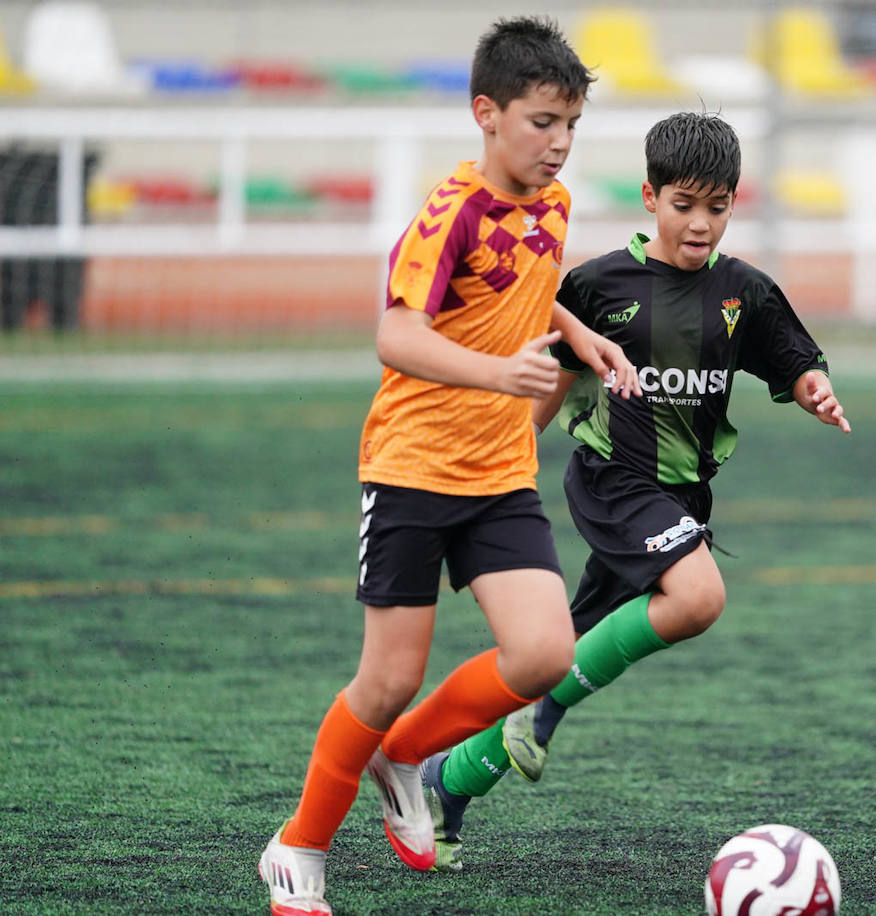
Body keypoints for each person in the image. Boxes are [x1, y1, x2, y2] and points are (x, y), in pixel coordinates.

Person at [257, 17, 641, 916]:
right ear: (487, 113)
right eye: (543, 122)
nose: (560, 143)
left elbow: (534, 288)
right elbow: (396, 333)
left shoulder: (553, 203)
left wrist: (587, 340)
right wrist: (500, 372)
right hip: (413, 466)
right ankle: (299, 846)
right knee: (386, 678)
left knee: (544, 652)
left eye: (571, 124)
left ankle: (405, 755)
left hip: (499, 468)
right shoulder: (450, 211)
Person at [418, 110, 851, 871]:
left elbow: (793, 361)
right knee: (699, 598)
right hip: (613, 482)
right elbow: (554, 376)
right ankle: (542, 717)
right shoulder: (599, 284)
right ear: (650, 197)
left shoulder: (744, 292)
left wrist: (814, 389)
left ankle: (445, 783)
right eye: (684, 205)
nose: (700, 223)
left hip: (683, 503)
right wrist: (507, 465)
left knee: (547, 658)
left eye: (717, 207)